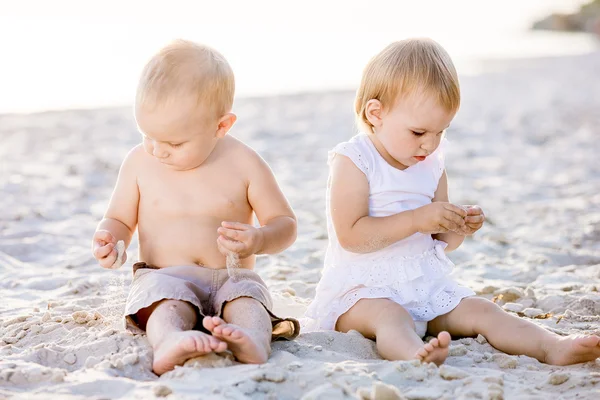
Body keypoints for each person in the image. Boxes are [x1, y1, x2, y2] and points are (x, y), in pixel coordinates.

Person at [304, 38, 600, 366]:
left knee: (483, 310)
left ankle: (550, 346)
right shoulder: (356, 159)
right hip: (361, 293)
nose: (430, 144)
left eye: (440, 132)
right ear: (376, 113)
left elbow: (442, 242)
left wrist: (457, 225)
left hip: (423, 285)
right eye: (418, 132)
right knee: (392, 317)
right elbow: (352, 236)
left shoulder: (430, 164)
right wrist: (418, 219)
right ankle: (414, 354)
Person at [91, 39, 299, 375]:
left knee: (248, 300)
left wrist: (259, 239)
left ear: (221, 126)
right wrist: (108, 238)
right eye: (148, 135)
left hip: (231, 275)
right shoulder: (138, 164)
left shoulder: (244, 163)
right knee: (163, 304)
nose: (157, 150)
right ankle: (171, 341)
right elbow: (118, 218)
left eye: (173, 142)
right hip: (166, 276)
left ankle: (252, 340)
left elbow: (285, 223)